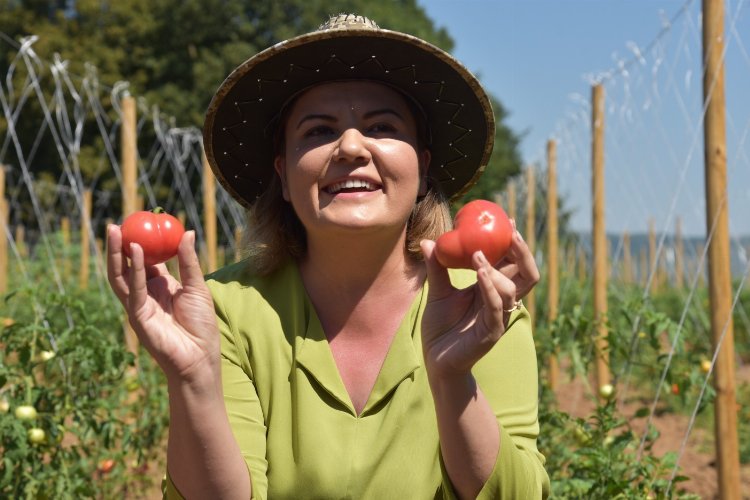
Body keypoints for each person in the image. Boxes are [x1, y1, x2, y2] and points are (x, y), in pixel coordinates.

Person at [107, 14, 550, 500]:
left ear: (423, 170)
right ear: (284, 175)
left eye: (382, 126)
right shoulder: (226, 309)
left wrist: (452, 377)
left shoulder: (482, 307)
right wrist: (192, 379)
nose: (351, 147)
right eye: (318, 131)